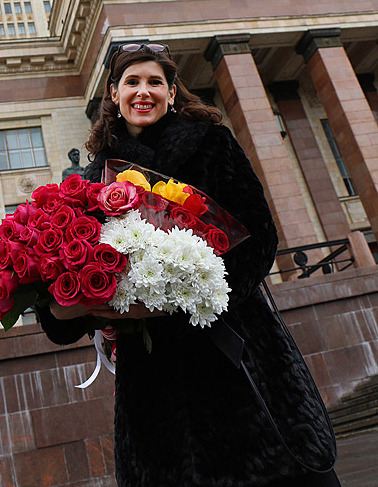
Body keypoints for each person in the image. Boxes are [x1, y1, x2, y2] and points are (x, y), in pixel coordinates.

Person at [36, 43, 340, 487]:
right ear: (114, 94)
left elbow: (258, 236)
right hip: (154, 384)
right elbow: (66, 298)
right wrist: (64, 301)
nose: (144, 92)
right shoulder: (90, 180)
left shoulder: (211, 144)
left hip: (238, 351)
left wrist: (192, 293)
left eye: (155, 82)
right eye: (132, 82)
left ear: (172, 93)